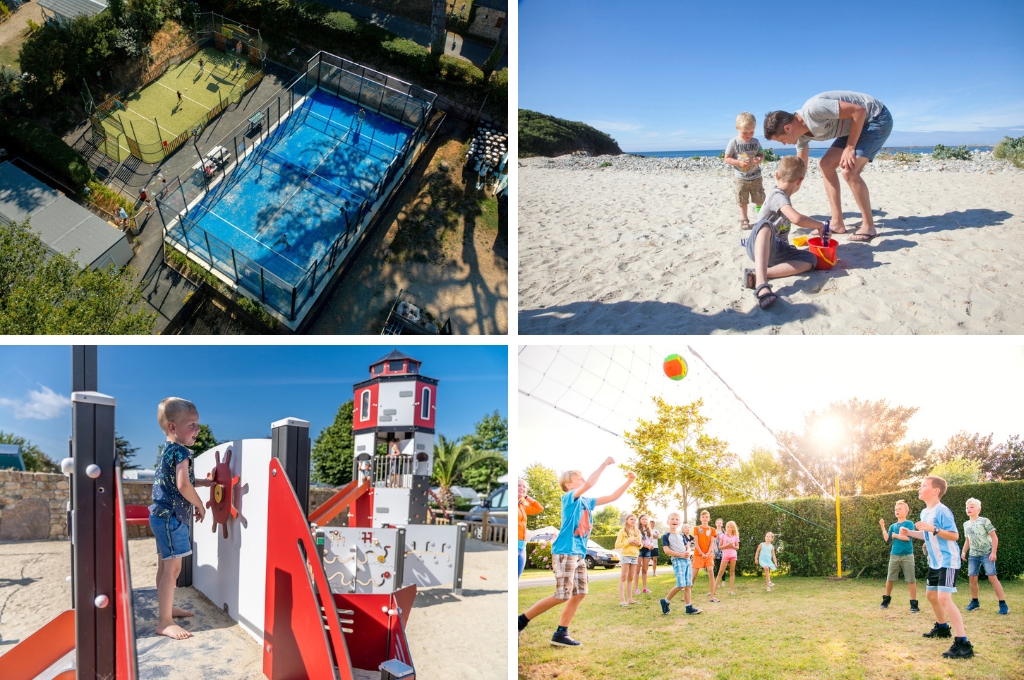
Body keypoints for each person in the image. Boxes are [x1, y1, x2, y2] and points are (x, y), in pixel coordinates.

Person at [518, 458, 635, 646]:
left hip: (579, 554)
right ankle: (520, 622)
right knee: (562, 594)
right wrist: (604, 464)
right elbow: (589, 484)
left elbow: (613, 497)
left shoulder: (587, 501)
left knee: (580, 593)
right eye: (579, 478)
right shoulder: (569, 498)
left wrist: (629, 481)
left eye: (582, 478)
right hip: (565, 551)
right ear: (568, 485)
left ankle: (561, 633)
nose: (583, 480)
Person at [764, 91, 893, 242]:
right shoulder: (801, 137)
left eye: (781, 140)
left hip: (875, 118)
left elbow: (859, 111)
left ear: (787, 128)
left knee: (849, 170)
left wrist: (850, 147)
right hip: (852, 126)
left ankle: (868, 226)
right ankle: (837, 222)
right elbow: (799, 168)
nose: (784, 144)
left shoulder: (814, 109)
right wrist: (783, 194)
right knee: (825, 165)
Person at [148, 397, 213, 640]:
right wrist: (200, 505)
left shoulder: (167, 451)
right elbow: (183, 485)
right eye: (192, 424)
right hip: (172, 518)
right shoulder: (181, 451)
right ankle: (165, 622)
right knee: (173, 569)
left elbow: (177, 482)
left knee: (165, 566)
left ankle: (167, 609)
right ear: (173, 427)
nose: (198, 429)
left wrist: (205, 482)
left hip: (160, 516)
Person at [899, 476, 973, 659]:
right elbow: (926, 535)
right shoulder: (925, 512)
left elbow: (954, 536)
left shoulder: (942, 511)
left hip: (948, 560)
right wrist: (910, 532)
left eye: (923, 485)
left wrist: (934, 529)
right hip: (935, 562)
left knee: (944, 598)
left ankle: (963, 644)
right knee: (931, 596)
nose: (919, 488)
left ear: (935, 491)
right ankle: (942, 628)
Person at [743, 156, 827, 310]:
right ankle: (761, 284)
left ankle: (759, 274)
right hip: (757, 245)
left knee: (810, 259)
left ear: (777, 175)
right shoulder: (777, 195)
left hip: (776, 251)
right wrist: (819, 225)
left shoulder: (784, 198)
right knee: (765, 226)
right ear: (800, 181)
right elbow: (796, 218)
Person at [961, 497, 1009, 615]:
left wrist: (993, 552)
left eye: (972, 507)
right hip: (973, 555)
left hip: (987, 554)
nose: (969, 509)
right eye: (967, 507)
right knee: (972, 578)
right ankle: (975, 602)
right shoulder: (966, 524)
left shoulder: (984, 521)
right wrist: (963, 551)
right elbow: (968, 540)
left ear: (979, 509)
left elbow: (994, 537)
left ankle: (1003, 604)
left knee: (992, 577)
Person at [724, 112, 765, 229]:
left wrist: (759, 159)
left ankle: (761, 218)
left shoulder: (756, 142)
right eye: (745, 132)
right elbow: (727, 159)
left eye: (751, 132)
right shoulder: (734, 142)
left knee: (760, 198)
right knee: (742, 200)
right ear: (737, 128)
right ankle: (744, 220)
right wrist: (739, 163)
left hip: (756, 176)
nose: (748, 135)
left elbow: (761, 154)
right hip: (741, 177)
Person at [879, 500, 919, 612]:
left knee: (911, 579)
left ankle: (914, 604)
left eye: (900, 509)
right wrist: (883, 527)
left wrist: (895, 535)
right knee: (890, 578)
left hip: (907, 556)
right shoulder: (892, 526)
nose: (897, 511)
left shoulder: (909, 524)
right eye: (896, 509)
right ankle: (886, 600)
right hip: (894, 555)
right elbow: (888, 540)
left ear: (906, 511)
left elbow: (907, 538)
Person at [659, 516, 700, 615]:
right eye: (672, 519)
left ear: (679, 522)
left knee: (688, 584)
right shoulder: (666, 536)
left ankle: (688, 607)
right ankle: (665, 601)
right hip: (677, 560)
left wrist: (687, 552)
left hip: (687, 560)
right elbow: (666, 551)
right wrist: (681, 554)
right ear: (668, 521)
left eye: (677, 519)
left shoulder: (682, 536)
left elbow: (687, 547)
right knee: (681, 584)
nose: (674, 521)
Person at [517, 478, 543, 579]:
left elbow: (539, 508)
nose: (522, 488)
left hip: (522, 545)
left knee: (517, 577)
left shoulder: (522, 505)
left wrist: (526, 497)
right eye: (518, 485)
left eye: (524, 486)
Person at [614, 514, 642, 606]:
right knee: (623, 577)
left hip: (635, 556)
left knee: (630, 578)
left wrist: (638, 544)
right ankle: (622, 600)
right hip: (626, 556)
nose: (633, 521)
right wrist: (628, 542)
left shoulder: (637, 531)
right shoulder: (622, 531)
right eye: (631, 519)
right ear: (626, 520)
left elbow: (641, 545)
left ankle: (630, 599)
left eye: (635, 519)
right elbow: (617, 545)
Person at [692, 510, 719, 602]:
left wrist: (708, 552)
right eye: (703, 517)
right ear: (700, 518)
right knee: (694, 575)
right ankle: (687, 594)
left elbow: (712, 542)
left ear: (709, 519)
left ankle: (712, 596)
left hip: (708, 555)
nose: (705, 518)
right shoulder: (696, 528)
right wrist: (701, 553)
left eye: (706, 517)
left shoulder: (712, 530)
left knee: (711, 572)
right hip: (698, 554)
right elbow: (696, 542)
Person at [714, 520, 739, 596]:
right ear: (725, 527)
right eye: (728, 527)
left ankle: (731, 591)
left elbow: (737, 547)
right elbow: (720, 547)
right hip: (725, 556)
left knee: (732, 572)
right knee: (720, 572)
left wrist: (733, 546)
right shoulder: (723, 536)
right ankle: (713, 590)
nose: (729, 528)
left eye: (731, 527)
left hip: (733, 556)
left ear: (733, 528)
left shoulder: (735, 536)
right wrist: (727, 545)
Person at [637, 514, 656, 594]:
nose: (644, 520)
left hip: (647, 550)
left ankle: (644, 588)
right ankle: (636, 588)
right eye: (643, 519)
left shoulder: (649, 530)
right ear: (640, 520)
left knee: (645, 570)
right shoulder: (637, 529)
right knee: (637, 570)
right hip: (639, 549)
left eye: (645, 519)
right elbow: (638, 541)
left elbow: (651, 540)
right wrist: (645, 545)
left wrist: (651, 545)